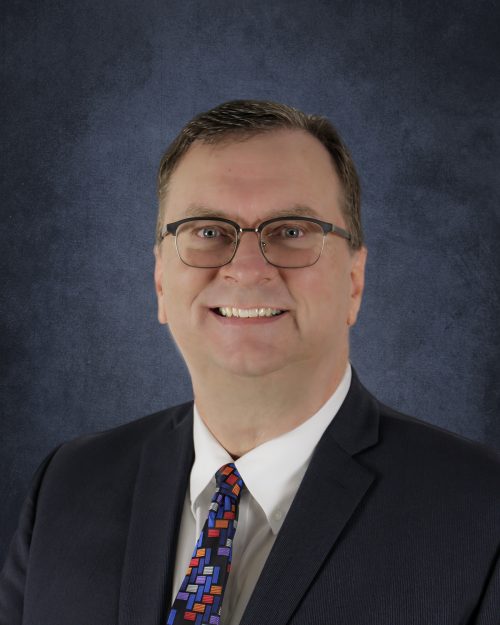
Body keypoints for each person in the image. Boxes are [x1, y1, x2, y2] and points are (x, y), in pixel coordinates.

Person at [1, 100, 499, 625]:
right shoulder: (68, 484)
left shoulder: (481, 511)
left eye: (292, 231)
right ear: (161, 282)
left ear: (354, 281)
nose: (246, 268)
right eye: (208, 231)